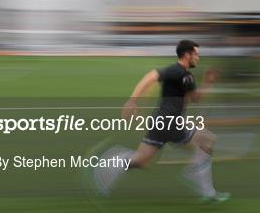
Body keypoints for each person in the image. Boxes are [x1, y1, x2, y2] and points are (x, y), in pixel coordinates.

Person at [93, 40, 230, 202]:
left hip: (161, 122)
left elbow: (195, 98)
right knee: (208, 140)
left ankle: (109, 161)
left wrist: (208, 82)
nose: (198, 58)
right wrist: (132, 100)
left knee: (140, 160)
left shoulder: (187, 76)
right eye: (196, 54)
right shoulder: (176, 70)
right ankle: (204, 187)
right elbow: (150, 77)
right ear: (187, 55)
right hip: (169, 122)